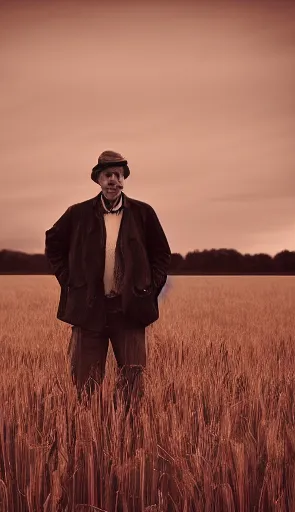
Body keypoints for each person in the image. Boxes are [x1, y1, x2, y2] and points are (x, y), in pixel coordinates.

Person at [45, 150, 171, 410]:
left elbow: (162, 255)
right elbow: (53, 243)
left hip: (130, 309)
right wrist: (70, 281)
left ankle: (128, 438)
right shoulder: (77, 214)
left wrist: (146, 290)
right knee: (85, 384)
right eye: (107, 175)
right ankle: (89, 436)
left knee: (133, 383)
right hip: (90, 309)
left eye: (118, 174)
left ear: (124, 179)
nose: (113, 180)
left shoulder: (143, 213)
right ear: (98, 180)